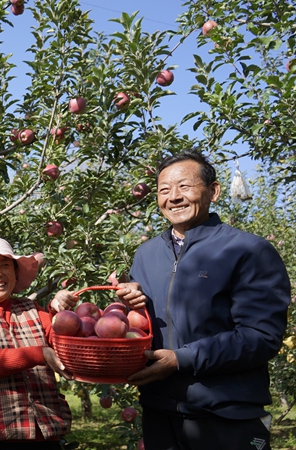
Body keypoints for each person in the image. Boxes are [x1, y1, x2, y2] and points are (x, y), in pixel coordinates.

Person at [126, 151, 291, 450]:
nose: (173, 197)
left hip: (227, 415)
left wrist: (181, 359)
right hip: (160, 413)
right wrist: (126, 307)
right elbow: (140, 328)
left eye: (184, 186)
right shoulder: (146, 255)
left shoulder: (247, 250)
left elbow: (261, 336)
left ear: (213, 191)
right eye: (164, 190)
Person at [0, 237, 144, 450]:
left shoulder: (32, 308)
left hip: (45, 434)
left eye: (5, 265)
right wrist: (40, 354)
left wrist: (60, 310)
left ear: (15, 274)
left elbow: (66, 343)